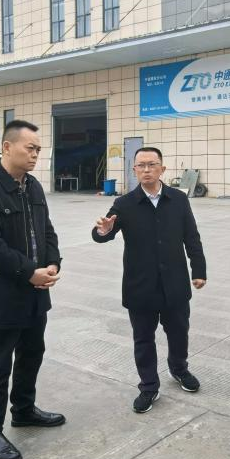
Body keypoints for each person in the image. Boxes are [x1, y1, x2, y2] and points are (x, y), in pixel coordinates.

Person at [0, 119, 66, 459]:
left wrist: (52, 262)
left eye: (39, 149)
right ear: (7, 147)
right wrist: (29, 272)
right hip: (2, 294)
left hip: (35, 292)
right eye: (30, 148)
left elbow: (47, 231)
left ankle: (23, 410)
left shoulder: (33, 186)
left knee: (32, 353)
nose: (36, 154)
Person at [91, 147, 207, 414]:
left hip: (175, 283)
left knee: (179, 333)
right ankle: (149, 386)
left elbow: (191, 237)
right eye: (141, 165)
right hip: (140, 285)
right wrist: (103, 231)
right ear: (134, 170)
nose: (146, 170)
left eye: (152, 164)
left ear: (162, 169)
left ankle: (179, 369)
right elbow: (103, 233)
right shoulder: (124, 203)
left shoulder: (178, 199)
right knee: (143, 339)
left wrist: (198, 270)